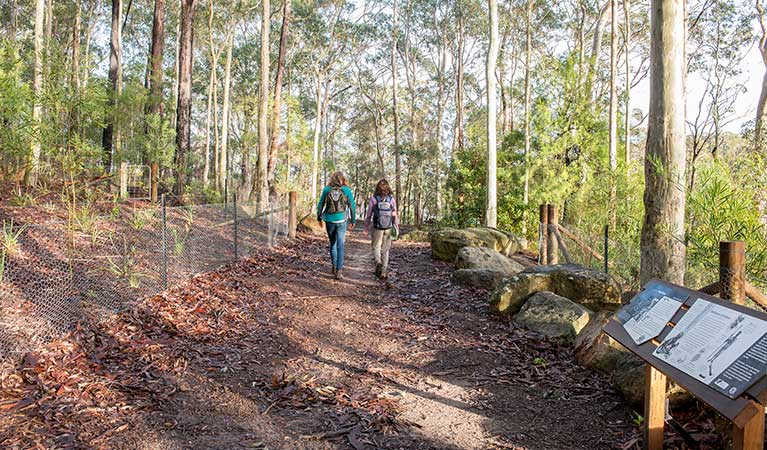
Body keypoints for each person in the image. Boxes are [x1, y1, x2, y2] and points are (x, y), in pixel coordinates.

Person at [317, 171, 356, 280]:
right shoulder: (346, 190)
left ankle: (334, 266)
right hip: (342, 220)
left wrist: (319, 217)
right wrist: (353, 220)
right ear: (343, 179)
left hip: (329, 220)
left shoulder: (326, 189)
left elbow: (321, 204)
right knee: (341, 245)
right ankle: (339, 271)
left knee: (332, 243)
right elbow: (352, 206)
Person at [364, 179, 398, 279]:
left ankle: (378, 262)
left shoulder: (374, 199)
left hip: (377, 227)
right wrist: (396, 227)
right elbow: (395, 215)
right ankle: (383, 272)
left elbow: (369, 215)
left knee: (376, 247)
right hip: (388, 227)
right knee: (385, 250)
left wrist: (366, 227)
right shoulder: (391, 200)